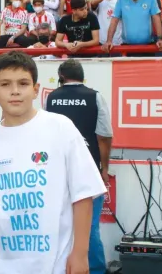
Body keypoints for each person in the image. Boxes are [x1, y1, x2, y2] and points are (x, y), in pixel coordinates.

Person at [0, 51, 106, 274]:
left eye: (23, 83)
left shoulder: (61, 127)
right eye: (6, 84)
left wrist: (80, 253)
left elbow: (84, 194)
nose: (15, 91)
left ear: (36, 90)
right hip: (0, 264)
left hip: (55, 263)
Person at [44, 59, 113, 274]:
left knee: (59, 225)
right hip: (88, 170)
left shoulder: (51, 98)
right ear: (82, 76)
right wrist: (104, 168)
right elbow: (104, 136)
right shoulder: (95, 96)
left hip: (58, 172)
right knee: (90, 229)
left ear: (61, 77)